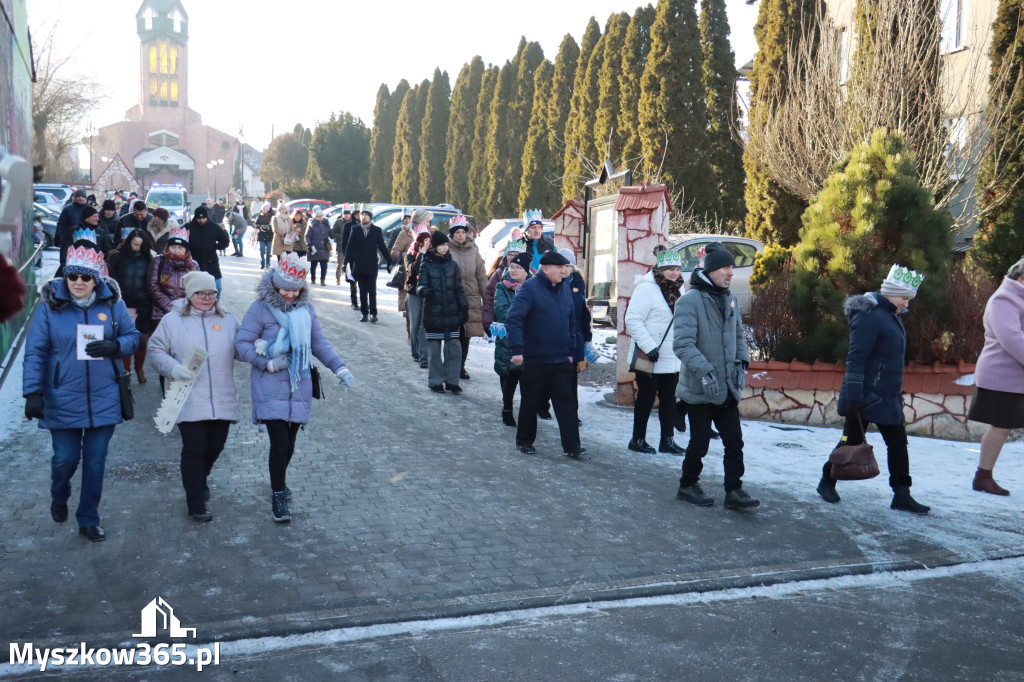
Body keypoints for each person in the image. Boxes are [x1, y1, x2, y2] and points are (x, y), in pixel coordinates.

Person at [22, 237, 140, 542]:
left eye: (85, 277)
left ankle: (88, 517)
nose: (78, 282)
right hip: (61, 397)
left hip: (105, 396)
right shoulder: (50, 307)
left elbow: (132, 336)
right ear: (65, 275)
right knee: (65, 459)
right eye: (72, 276)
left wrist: (116, 346)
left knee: (95, 463)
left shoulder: (113, 304)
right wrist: (33, 392)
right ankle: (59, 493)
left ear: (96, 278)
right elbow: (36, 351)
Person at [235, 253, 353, 522]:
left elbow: (319, 344)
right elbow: (242, 344)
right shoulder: (259, 309)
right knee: (279, 442)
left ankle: (280, 481)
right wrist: (269, 364)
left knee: (290, 443)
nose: (290, 294)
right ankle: (278, 496)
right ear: (275, 285)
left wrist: (340, 368)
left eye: (296, 289)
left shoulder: (306, 310)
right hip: (269, 382)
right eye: (286, 288)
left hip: (298, 382)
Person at [816, 264, 930, 514]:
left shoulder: (890, 314)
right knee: (851, 441)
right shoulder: (870, 315)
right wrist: (855, 396)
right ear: (891, 293)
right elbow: (856, 358)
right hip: (865, 395)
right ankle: (827, 481)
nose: (907, 305)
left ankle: (902, 494)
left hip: (887, 394)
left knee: (898, 442)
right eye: (905, 298)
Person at [673, 242, 759, 509]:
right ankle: (687, 485)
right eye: (725, 267)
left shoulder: (730, 298)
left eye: (732, 267)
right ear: (710, 271)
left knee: (734, 441)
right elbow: (683, 345)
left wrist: (742, 363)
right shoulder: (689, 301)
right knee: (699, 443)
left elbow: (738, 336)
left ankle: (734, 490)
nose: (730, 273)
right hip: (700, 388)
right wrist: (705, 373)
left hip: (727, 386)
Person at [149, 270, 240, 522]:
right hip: (187, 396)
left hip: (222, 396)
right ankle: (196, 502)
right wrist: (173, 368)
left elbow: (242, 348)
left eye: (212, 293)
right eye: (201, 293)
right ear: (190, 295)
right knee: (194, 449)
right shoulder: (172, 320)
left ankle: (200, 480)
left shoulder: (228, 320)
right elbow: (156, 350)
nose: (207, 297)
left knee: (215, 446)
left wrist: (264, 347)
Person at [505, 250, 584, 458]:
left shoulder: (565, 290)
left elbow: (571, 321)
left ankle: (572, 446)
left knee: (566, 404)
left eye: (565, 268)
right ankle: (524, 441)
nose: (563, 272)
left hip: (561, 358)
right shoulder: (529, 289)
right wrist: (517, 349)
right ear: (546, 269)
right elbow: (513, 318)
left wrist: (571, 351)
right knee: (531, 401)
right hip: (536, 357)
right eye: (559, 268)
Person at [967, 256, 1024, 496]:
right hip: (1002, 377)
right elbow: (1013, 340)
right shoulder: (1004, 299)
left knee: (1002, 427)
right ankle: (983, 476)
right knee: (1000, 427)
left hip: (1015, 378)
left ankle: (983, 476)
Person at [625, 247, 685, 455]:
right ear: (661, 268)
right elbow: (633, 319)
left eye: (677, 268)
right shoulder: (647, 288)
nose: (675, 273)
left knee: (669, 401)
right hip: (650, 356)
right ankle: (637, 439)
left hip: (672, 357)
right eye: (670, 268)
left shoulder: (680, 289)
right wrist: (649, 346)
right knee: (646, 399)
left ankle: (667, 440)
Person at [417, 231, 468, 393]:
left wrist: (464, 306)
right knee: (434, 351)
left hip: (452, 313)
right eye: (442, 245)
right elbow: (420, 285)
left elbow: (459, 289)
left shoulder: (452, 265)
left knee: (454, 349)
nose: (445, 248)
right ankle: (436, 381)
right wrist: (424, 290)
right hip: (433, 313)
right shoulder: (426, 264)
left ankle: (452, 381)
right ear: (435, 246)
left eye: (447, 245)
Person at [107, 228, 156, 383]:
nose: (137, 248)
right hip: (122, 305)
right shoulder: (116, 257)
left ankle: (139, 368)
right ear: (129, 242)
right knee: (125, 339)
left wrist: (149, 302)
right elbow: (110, 280)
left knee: (142, 340)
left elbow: (152, 283)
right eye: (135, 244)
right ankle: (126, 370)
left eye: (141, 245)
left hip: (142, 306)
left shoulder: (150, 259)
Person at [493, 251, 533, 425]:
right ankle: (507, 409)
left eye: (518, 267)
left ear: (526, 270)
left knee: (528, 380)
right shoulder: (502, 287)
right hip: (507, 339)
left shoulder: (534, 286)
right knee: (508, 376)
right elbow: (502, 311)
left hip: (530, 339)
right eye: (512, 267)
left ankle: (527, 413)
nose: (513, 270)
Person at [447, 216, 488, 380]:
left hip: (470, 298)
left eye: (463, 232)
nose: (461, 235)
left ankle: (461, 366)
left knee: (466, 333)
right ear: (452, 234)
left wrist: (487, 298)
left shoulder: (474, 251)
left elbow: (481, 276)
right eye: (457, 232)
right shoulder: (447, 250)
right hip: (452, 298)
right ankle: (451, 365)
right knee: (452, 333)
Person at [344, 205, 390, 323]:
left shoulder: (376, 230)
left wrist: (390, 262)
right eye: (361, 215)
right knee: (362, 291)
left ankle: (373, 314)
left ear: (370, 217)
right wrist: (346, 263)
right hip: (359, 265)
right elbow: (349, 247)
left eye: (365, 215)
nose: (363, 217)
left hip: (371, 266)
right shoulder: (355, 229)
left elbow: (382, 248)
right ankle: (364, 313)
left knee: (372, 290)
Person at [149, 226, 200, 328]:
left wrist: (185, 308)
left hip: (186, 313)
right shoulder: (159, 261)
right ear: (168, 247)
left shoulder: (193, 265)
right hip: (161, 313)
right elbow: (153, 286)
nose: (176, 251)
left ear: (186, 249)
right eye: (173, 247)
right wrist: (171, 307)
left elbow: (198, 289)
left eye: (180, 248)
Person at [483, 236, 526, 333]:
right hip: (503, 324)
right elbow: (489, 298)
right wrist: (488, 322)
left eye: (516, 255)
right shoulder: (498, 274)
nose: (512, 258)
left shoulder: (530, 273)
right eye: (510, 255)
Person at [186, 205, 230, 298]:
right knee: (196, 290)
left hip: (211, 262)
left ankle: (215, 308)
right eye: (199, 219)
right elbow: (181, 243)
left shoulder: (214, 227)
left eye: (204, 218)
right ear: (195, 217)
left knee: (217, 288)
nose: (202, 221)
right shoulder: (188, 227)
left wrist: (214, 246)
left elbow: (225, 241)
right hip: (194, 263)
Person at [404, 231, 432, 368]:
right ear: (419, 243)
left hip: (426, 293)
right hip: (413, 293)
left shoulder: (432, 256)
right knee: (414, 325)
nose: (428, 243)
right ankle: (415, 351)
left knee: (424, 325)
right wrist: (421, 254)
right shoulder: (410, 256)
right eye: (425, 240)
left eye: (429, 240)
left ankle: (423, 356)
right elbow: (414, 270)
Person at [55, 189, 89, 273]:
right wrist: (57, 236)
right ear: (75, 197)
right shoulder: (68, 209)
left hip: (84, 239)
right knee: (65, 262)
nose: (80, 198)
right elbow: (61, 224)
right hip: (68, 239)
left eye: (82, 196)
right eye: (78, 196)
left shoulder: (89, 209)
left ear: (85, 198)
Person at [389, 210, 415, 314]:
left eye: (409, 218)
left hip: (417, 269)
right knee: (405, 290)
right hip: (404, 267)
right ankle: (405, 309)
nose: (407, 220)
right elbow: (393, 250)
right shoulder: (400, 232)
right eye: (405, 218)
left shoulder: (423, 232)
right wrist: (407, 255)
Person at [330, 205, 355, 295]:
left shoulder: (353, 222)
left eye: (348, 214)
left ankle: (350, 278)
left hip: (351, 246)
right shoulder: (338, 222)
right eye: (345, 214)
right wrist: (341, 237)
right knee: (340, 263)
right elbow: (332, 233)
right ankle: (338, 278)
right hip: (341, 246)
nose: (347, 215)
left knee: (350, 264)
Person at [305, 206, 332, 286]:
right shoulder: (311, 224)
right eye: (318, 216)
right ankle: (313, 278)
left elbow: (330, 233)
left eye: (321, 216)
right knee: (314, 264)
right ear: (314, 216)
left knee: (324, 265)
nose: (320, 218)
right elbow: (307, 236)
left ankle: (322, 280)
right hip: (314, 247)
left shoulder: (326, 223)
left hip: (324, 247)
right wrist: (308, 244)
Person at [254, 202, 275, 269]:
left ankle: (268, 263)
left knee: (268, 251)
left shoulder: (272, 216)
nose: (263, 210)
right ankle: (262, 263)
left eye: (265, 208)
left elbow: (274, 226)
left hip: (269, 235)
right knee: (262, 250)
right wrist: (260, 226)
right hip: (261, 235)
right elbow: (255, 225)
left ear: (268, 209)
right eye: (263, 208)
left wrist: (267, 227)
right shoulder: (259, 215)